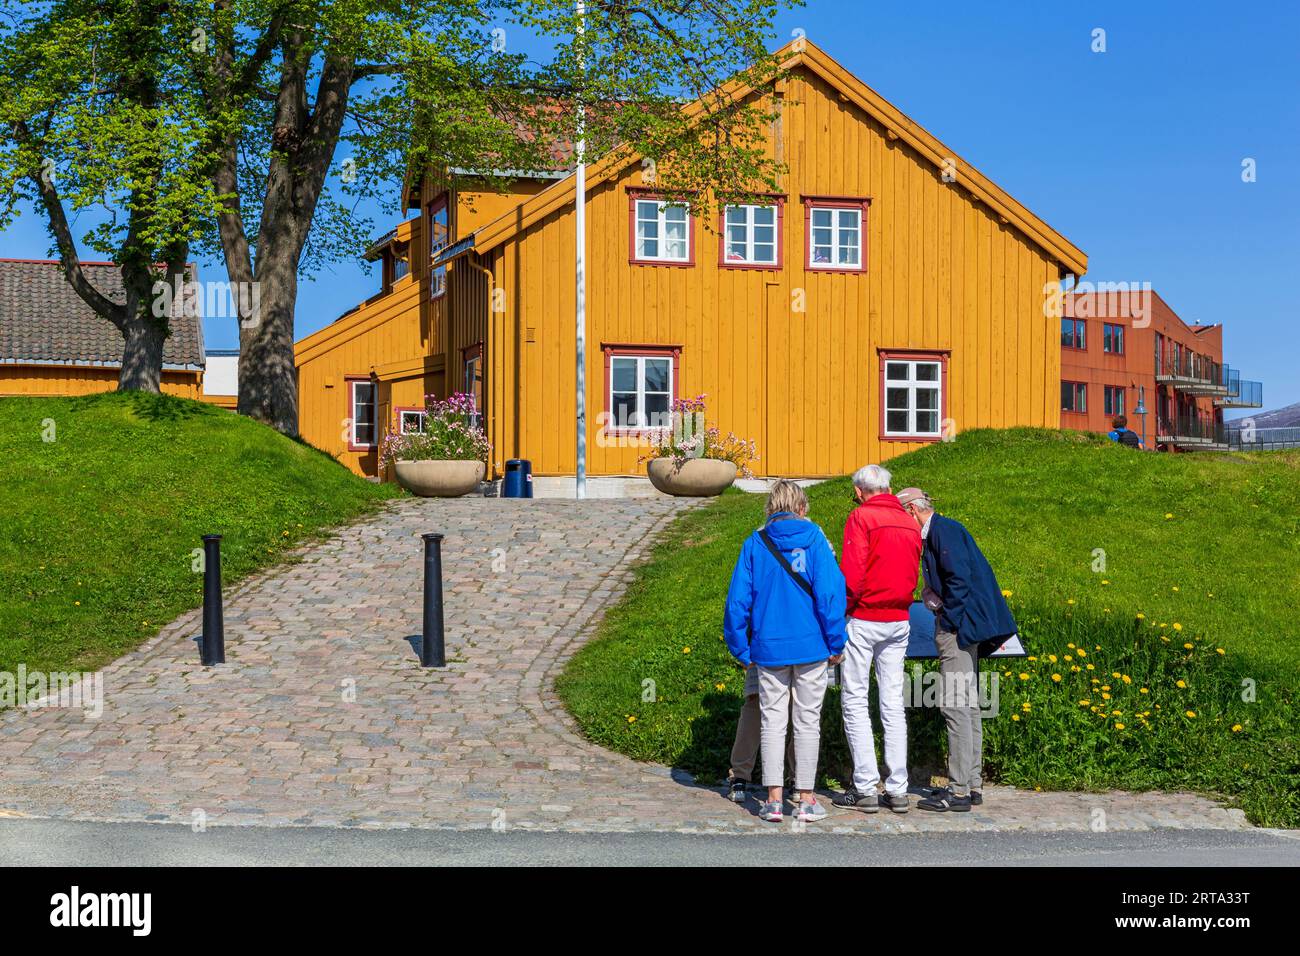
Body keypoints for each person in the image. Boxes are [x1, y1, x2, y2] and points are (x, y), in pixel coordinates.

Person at [723, 479, 847, 823]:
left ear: (771, 507)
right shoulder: (816, 541)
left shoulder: (755, 542)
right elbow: (830, 595)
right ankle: (805, 798)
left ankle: (773, 800)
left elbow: (738, 602)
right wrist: (836, 641)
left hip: (768, 647)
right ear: (802, 507)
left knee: (772, 722)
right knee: (808, 722)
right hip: (811, 645)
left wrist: (740, 647)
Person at [897, 487, 1017, 813]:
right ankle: (972, 784)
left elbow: (959, 580)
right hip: (969, 627)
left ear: (911, 511)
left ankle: (959, 790)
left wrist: (946, 620)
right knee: (969, 706)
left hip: (959, 630)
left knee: (955, 707)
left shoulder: (941, 531)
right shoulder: (945, 529)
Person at [831, 464, 922, 815]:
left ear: (859, 491)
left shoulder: (861, 517)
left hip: (865, 616)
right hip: (899, 617)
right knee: (892, 703)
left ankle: (866, 785)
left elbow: (852, 574)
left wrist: (845, 611)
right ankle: (898, 788)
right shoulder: (908, 521)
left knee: (855, 699)